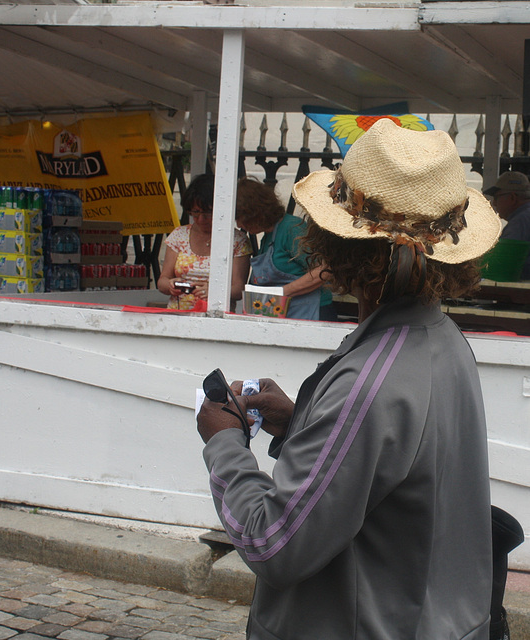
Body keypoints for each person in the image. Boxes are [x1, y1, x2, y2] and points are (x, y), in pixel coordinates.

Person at [197, 119, 502, 640]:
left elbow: (275, 542)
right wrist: (300, 423)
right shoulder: (443, 340)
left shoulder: (370, 380)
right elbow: (392, 464)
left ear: (337, 246)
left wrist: (225, 444)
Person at [236, 177, 336, 321]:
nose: (240, 224)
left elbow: (324, 270)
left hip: (312, 313)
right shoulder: (267, 237)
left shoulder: (291, 229)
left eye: (242, 218)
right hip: (284, 314)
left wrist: (282, 292)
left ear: (256, 212)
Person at [157, 174, 252, 311]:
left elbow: (238, 289)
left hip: (216, 316)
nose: (201, 219)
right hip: (178, 314)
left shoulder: (237, 241)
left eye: (208, 213)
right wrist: (171, 285)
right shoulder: (179, 235)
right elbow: (162, 280)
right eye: (195, 212)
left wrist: (215, 292)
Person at [483, 171, 530, 279]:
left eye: (497, 197)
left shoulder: (520, 222)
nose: (494, 203)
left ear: (512, 198)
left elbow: (503, 265)